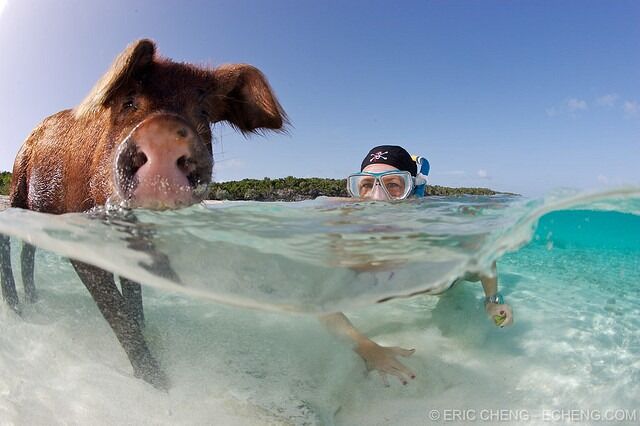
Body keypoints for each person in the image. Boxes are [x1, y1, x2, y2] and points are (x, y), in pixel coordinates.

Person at [321, 145, 513, 386]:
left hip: (443, 285)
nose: (377, 200)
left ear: (411, 193)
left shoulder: (437, 225)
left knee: (472, 271)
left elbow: (485, 253)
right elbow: (321, 300)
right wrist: (367, 348)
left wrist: (492, 301)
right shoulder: (344, 229)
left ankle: (417, 170)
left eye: (393, 185)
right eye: (367, 185)